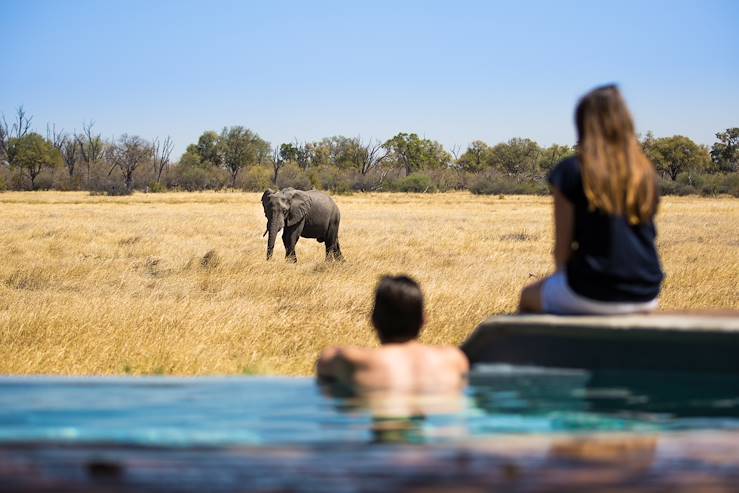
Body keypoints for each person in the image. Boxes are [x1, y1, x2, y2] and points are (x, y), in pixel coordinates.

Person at [519, 84, 664, 315]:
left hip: (591, 290)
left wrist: (562, 283)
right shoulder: (644, 171)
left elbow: (562, 251)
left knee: (527, 296)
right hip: (647, 293)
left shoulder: (571, 171)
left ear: (583, 124)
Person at [317, 275, 469, 391]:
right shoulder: (454, 360)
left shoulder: (349, 361)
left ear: (373, 320)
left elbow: (327, 361)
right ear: (424, 320)